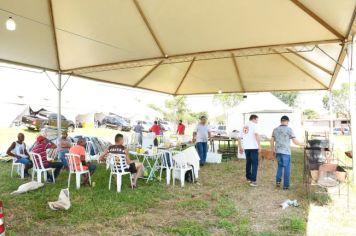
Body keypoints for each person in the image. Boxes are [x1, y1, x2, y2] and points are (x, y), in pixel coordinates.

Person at [271, 116, 304, 190]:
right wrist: (303, 144)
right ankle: (286, 186)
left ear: (281, 121)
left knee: (279, 167)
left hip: (278, 152)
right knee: (287, 169)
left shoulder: (275, 130)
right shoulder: (289, 130)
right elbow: (295, 141)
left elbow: (272, 140)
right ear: (287, 121)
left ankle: (278, 183)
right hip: (286, 153)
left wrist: (273, 149)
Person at [238, 114, 261, 187]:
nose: (257, 121)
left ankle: (248, 178)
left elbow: (239, 137)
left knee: (248, 162)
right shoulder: (254, 125)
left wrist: (240, 147)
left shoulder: (243, 125)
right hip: (253, 147)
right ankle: (253, 181)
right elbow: (256, 134)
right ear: (254, 119)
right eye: (257, 119)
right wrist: (259, 145)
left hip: (246, 147)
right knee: (255, 164)